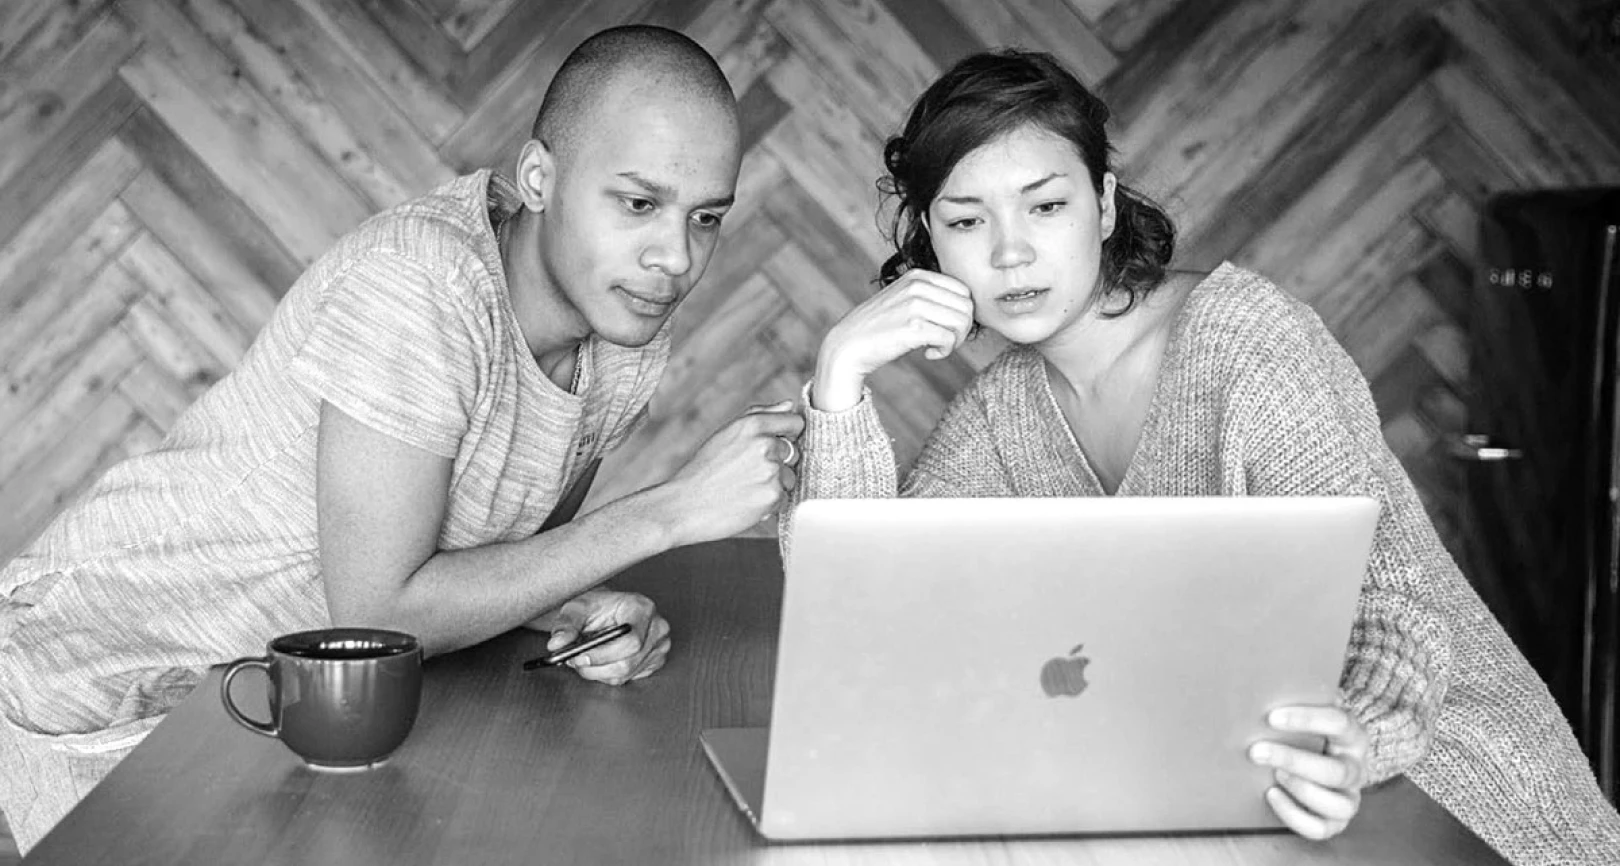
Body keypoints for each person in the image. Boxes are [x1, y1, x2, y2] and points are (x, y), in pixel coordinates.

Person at [786, 48, 1620, 863]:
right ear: (932, 243)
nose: (1010, 253)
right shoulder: (1002, 414)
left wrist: (1353, 739)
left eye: (1045, 207)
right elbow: (860, 612)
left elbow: (1395, 606)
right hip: (1236, 803)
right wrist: (839, 379)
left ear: (1105, 208)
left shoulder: (1248, 344)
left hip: (1448, 799)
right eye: (967, 221)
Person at [0, 25, 803, 852]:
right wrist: (666, 514)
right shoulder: (421, 285)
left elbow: (494, 560)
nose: (674, 257)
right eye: (638, 203)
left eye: (706, 217)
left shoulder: (624, 331)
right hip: (113, 681)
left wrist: (579, 612)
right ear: (538, 179)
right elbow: (381, 612)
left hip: (281, 698)